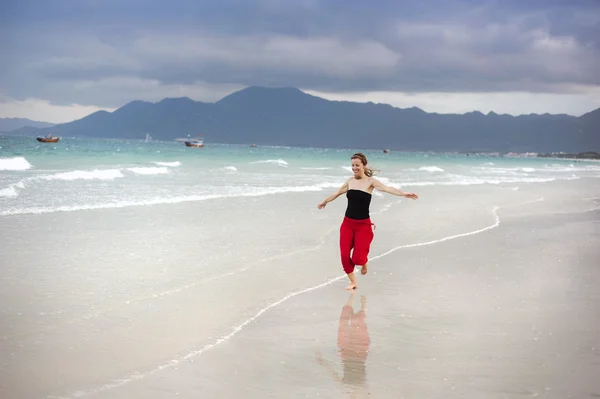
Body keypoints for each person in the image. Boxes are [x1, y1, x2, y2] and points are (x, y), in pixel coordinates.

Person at [318, 152, 418, 291]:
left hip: (363, 225)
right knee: (345, 255)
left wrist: (403, 193)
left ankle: (364, 262)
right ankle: (353, 282)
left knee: (358, 259)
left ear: (363, 165)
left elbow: (387, 188)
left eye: (357, 165)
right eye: (352, 165)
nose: (354, 168)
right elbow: (336, 193)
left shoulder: (371, 182)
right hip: (347, 224)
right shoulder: (350, 181)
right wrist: (325, 202)